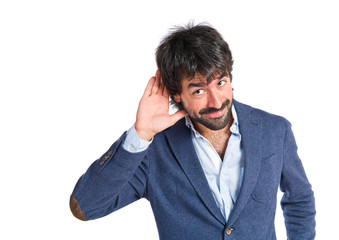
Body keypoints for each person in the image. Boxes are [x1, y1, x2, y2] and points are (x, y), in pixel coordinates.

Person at [70, 23, 316, 239]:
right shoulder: (154, 149)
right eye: (198, 90)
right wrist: (140, 134)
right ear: (176, 94)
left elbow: (299, 199)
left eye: (221, 82)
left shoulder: (274, 130)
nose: (216, 101)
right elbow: (86, 207)